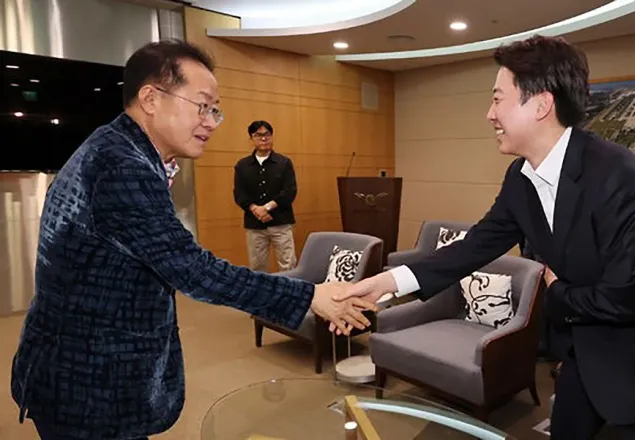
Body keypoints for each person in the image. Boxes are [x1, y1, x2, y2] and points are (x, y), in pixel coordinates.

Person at [10, 39, 375, 440]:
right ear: (151, 98)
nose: (212, 122)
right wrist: (309, 296)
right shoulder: (121, 166)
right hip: (89, 384)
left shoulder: (118, 147)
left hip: (84, 371)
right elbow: (193, 269)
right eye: (202, 106)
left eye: (215, 110)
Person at [336, 35, 635, 439]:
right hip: (584, 348)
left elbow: (629, 297)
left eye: (498, 99)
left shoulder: (615, 173)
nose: (489, 114)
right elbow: (475, 245)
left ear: (541, 105)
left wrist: (555, 291)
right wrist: (387, 282)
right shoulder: (520, 178)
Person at [234, 121, 298, 272]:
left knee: (288, 265)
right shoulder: (242, 165)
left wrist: (267, 208)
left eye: (267, 134)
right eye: (258, 135)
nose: (264, 139)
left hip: (281, 222)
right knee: (257, 267)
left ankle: (288, 289)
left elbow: (289, 191)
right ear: (251, 138)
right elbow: (239, 194)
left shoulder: (284, 162)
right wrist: (255, 209)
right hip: (254, 224)